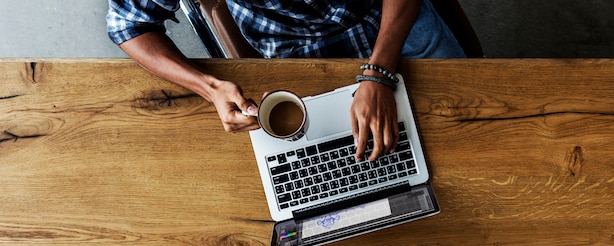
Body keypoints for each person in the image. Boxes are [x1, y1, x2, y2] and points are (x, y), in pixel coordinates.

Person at [106, 0, 464, 161]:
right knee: (334, 167)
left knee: (465, 126)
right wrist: (209, 88)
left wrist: (379, 74)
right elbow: (128, 24)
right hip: (296, 48)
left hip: (389, 14)